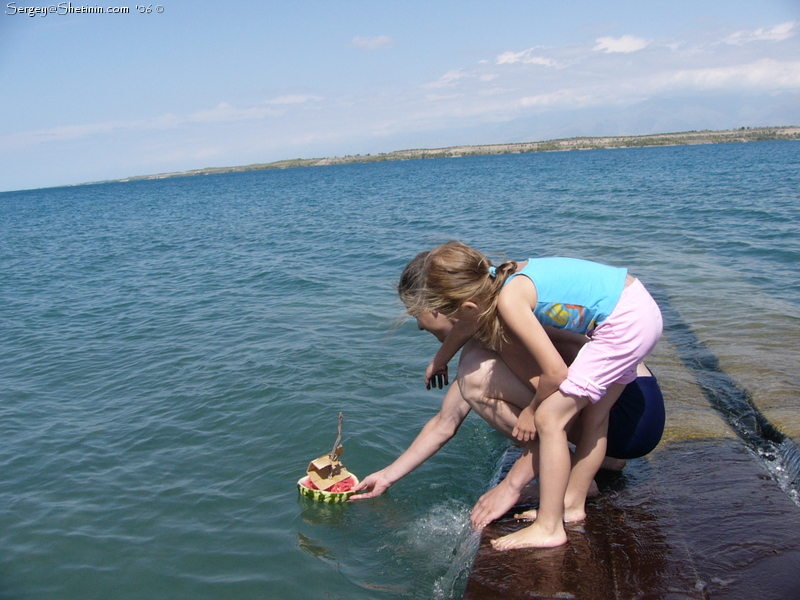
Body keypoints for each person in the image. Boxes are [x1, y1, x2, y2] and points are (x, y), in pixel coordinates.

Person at [352, 251, 665, 533]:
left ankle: (570, 489)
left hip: (631, 417)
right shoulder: (500, 296)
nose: (419, 327)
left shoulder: (503, 325)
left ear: (445, 306)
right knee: (475, 376)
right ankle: (598, 463)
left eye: (415, 313)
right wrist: (387, 476)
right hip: (631, 401)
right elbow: (445, 421)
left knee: (478, 380)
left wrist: (511, 484)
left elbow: (553, 402)